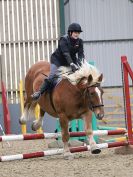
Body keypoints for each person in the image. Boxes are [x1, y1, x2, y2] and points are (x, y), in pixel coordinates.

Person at [31, 23, 85, 100]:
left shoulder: (80, 42)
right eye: (75, 32)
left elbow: (81, 55)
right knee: (52, 76)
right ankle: (39, 93)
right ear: (70, 32)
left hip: (71, 61)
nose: (77, 34)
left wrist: (80, 65)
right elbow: (66, 53)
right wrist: (72, 64)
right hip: (58, 60)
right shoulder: (63, 39)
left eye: (78, 33)